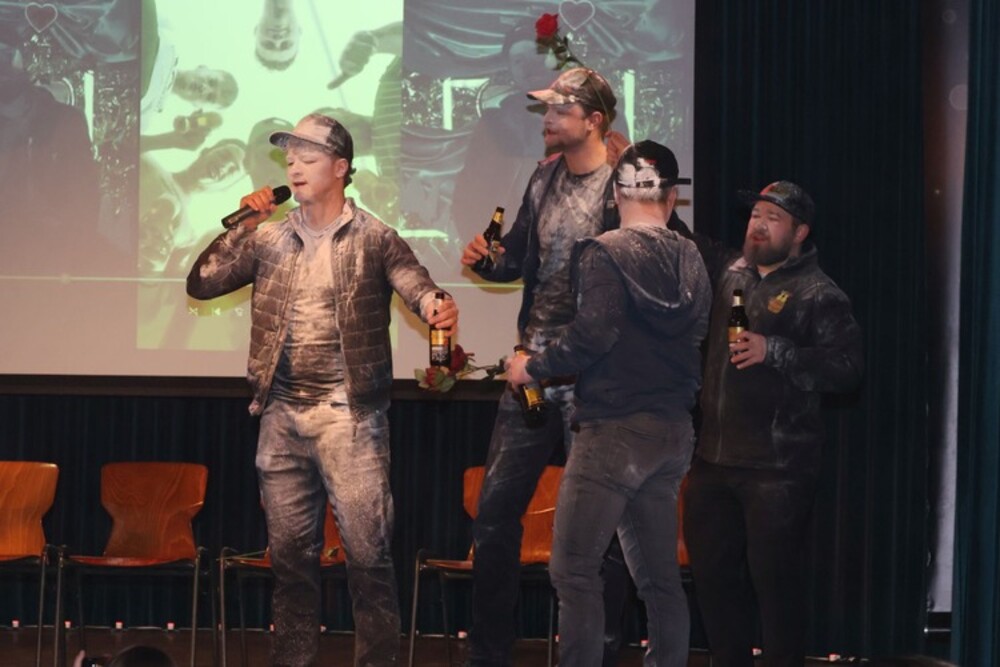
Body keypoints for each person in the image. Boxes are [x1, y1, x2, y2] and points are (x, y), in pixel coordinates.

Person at [187, 112, 458, 667]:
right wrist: (242, 225)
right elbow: (203, 283)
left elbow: (416, 284)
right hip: (280, 415)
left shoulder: (375, 237)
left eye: (308, 158)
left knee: (369, 558)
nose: (294, 167)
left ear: (340, 168)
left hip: (350, 416)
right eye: (290, 159)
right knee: (290, 562)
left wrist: (435, 304)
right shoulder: (268, 238)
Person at [506, 140, 711, 667]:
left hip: (613, 431)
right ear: (671, 198)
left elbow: (592, 336)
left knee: (574, 570)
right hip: (672, 433)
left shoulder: (604, 252)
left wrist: (531, 366)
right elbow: (698, 337)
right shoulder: (691, 256)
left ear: (616, 194)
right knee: (660, 581)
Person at [459, 66, 624, 667]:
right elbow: (518, 261)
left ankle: (600, 650)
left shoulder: (623, 188)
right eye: (546, 109)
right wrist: (488, 259)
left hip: (595, 378)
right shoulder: (544, 176)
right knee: (494, 514)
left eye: (559, 110)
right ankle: (489, 652)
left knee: (599, 524)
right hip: (531, 371)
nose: (547, 119)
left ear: (594, 120)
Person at [682, 181, 864, 667]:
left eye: (773, 218)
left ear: (800, 232)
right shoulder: (730, 272)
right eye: (755, 215)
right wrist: (639, 175)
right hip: (713, 461)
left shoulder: (818, 293)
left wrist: (775, 351)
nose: (758, 225)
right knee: (714, 582)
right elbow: (677, 233)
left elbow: (847, 369)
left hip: (778, 469)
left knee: (775, 586)